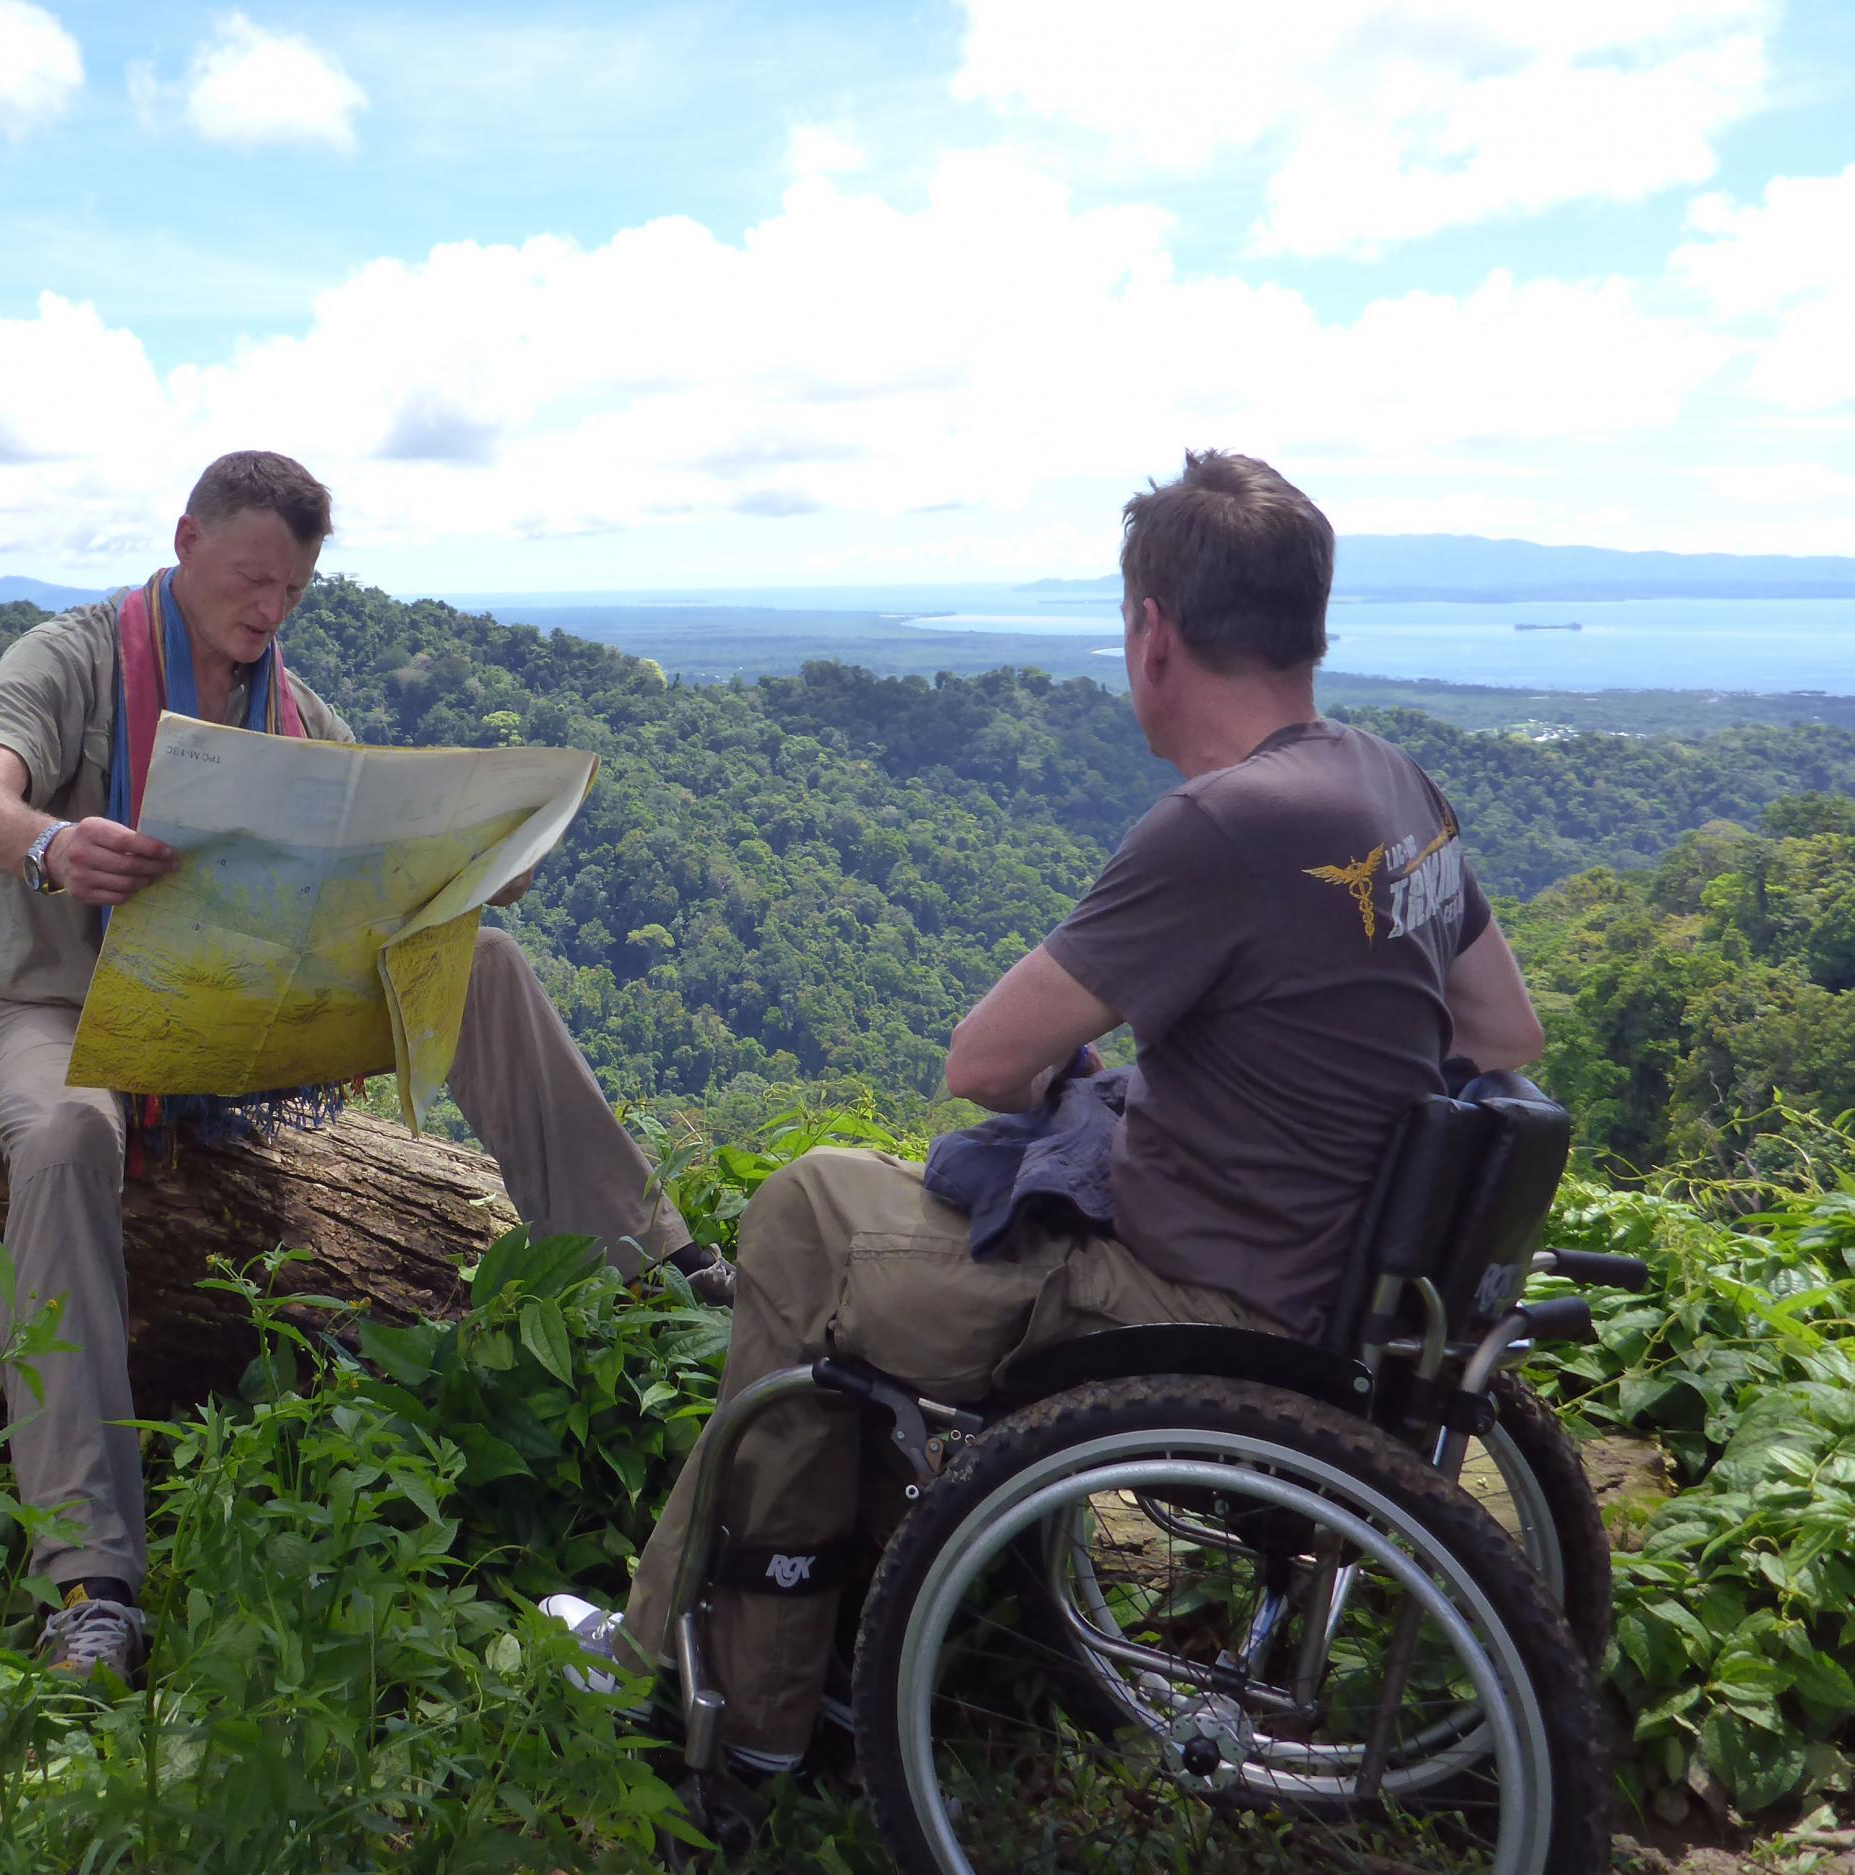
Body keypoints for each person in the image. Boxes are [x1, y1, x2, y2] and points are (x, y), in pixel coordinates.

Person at [543, 448, 1548, 1778]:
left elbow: (985, 1058)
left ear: (1151, 631)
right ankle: (847, 1657)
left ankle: (732, 1703)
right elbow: (1503, 1033)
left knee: (808, 1213)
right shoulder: (1396, 791)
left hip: (1190, 1313)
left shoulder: (1225, 826)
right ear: (1309, 622)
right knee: (880, 1225)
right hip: (1341, 1306)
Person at [0, 449, 731, 1683]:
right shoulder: (71, 658)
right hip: (45, 1018)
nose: (266, 610)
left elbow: (372, 869)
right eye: (250, 578)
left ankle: (661, 1269)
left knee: (491, 964)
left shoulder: (290, 719)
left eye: (290, 592)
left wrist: (466, 872)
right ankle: (89, 1583)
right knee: (71, 1130)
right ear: (184, 540)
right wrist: (50, 846)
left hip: (231, 1023)